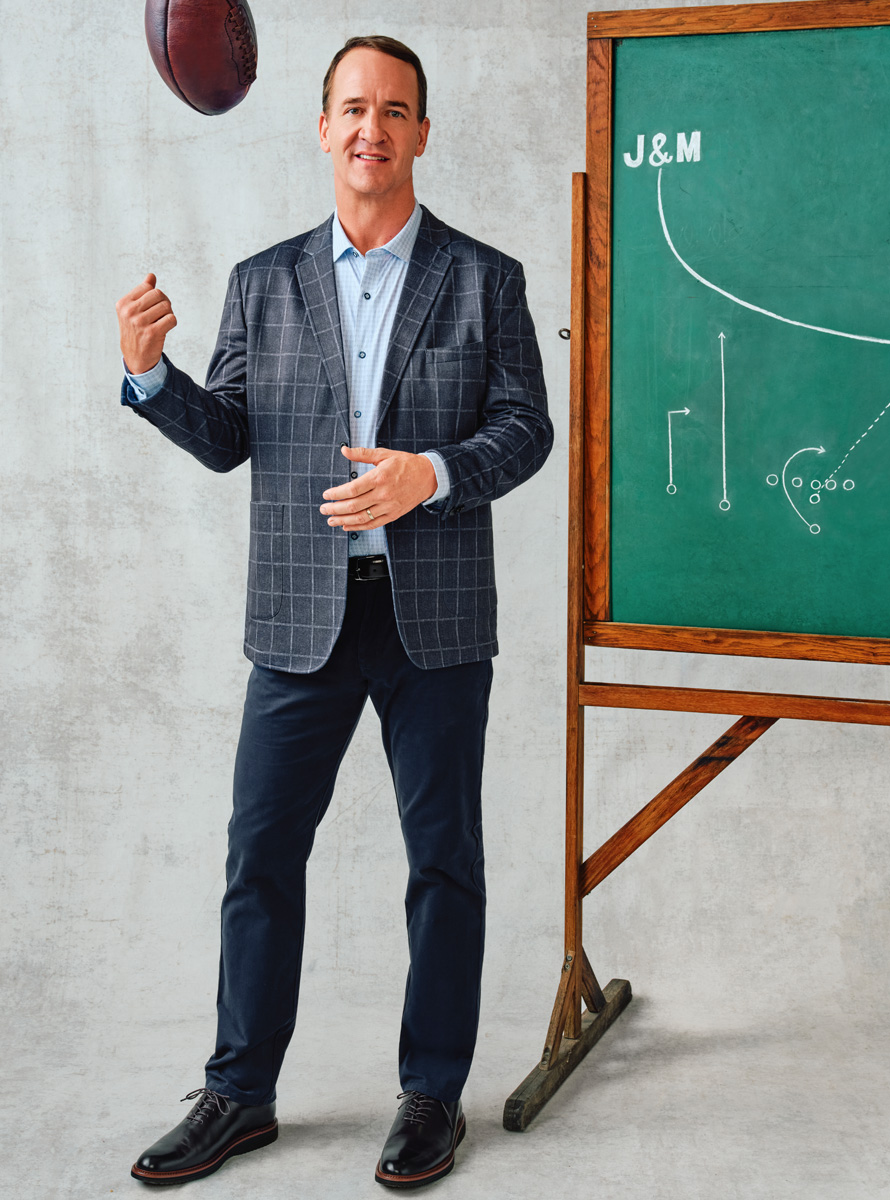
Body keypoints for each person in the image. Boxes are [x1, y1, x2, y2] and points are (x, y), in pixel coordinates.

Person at [116, 34, 553, 1189]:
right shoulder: (263, 281)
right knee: (260, 854)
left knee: (444, 861)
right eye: (354, 108)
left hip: (436, 623)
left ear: (422, 133)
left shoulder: (485, 278)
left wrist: (432, 474)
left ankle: (431, 1096)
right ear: (323, 129)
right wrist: (153, 376)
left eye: (395, 110)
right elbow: (229, 438)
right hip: (300, 617)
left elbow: (526, 430)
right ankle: (239, 1094)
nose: (373, 128)